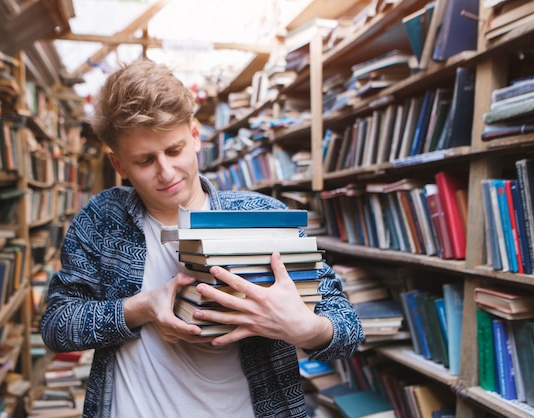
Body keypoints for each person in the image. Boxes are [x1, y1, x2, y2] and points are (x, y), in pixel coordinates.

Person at [40, 59, 363, 418]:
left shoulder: (260, 217)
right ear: (119, 166)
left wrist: (306, 329)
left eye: (174, 150)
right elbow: (57, 327)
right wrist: (141, 308)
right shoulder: (102, 219)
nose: (166, 172)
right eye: (145, 161)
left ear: (195, 136)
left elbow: (348, 329)